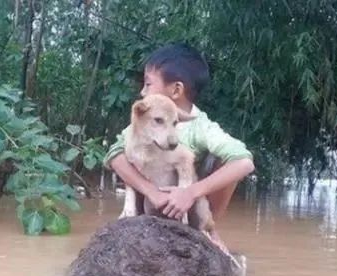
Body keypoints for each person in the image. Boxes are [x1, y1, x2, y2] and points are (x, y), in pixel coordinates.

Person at [103, 43, 255, 236]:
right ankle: (138, 224)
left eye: (148, 84)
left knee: (221, 160)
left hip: (190, 203)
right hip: (151, 201)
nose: (143, 92)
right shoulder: (145, 118)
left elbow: (244, 163)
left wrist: (190, 193)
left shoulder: (201, 127)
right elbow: (114, 155)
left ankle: (208, 231)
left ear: (176, 90)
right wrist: (151, 192)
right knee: (128, 154)